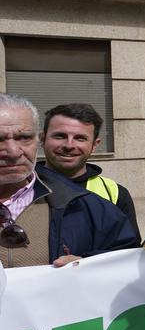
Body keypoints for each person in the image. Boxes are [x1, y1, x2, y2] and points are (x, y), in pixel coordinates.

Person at [0, 94, 137, 267]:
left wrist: (90, 265)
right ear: (43, 139)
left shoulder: (99, 204)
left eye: (23, 137)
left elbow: (127, 260)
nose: (12, 151)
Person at [39, 103, 139, 236]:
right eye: (60, 136)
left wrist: (84, 257)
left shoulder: (114, 193)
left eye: (80, 138)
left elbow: (128, 250)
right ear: (42, 139)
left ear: (94, 145)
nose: (69, 145)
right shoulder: (20, 187)